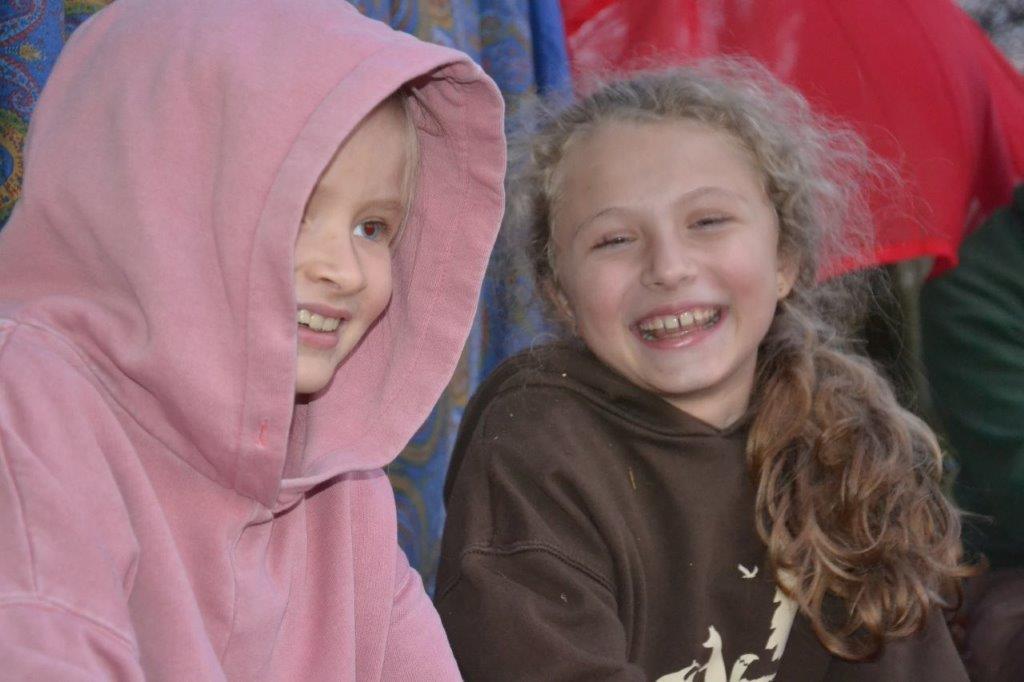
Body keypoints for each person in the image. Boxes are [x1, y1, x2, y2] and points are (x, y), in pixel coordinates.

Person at [0, 0, 505, 678]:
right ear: (156, 204)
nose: (344, 270)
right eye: (292, 209)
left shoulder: (341, 485)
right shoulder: (28, 410)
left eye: (373, 228)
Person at [436, 61, 969, 680]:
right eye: (614, 240)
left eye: (708, 221)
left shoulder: (848, 445)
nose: (669, 267)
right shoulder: (535, 447)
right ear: (560, 295)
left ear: (784, 259)